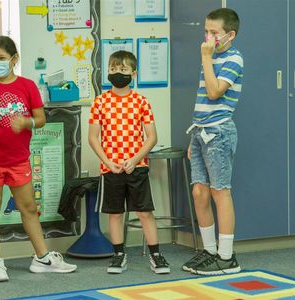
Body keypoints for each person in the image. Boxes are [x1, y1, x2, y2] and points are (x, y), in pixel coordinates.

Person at [0, 35, 77, 282]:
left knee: (28, 208)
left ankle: (42, 257)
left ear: (14, 59)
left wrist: (27, 121)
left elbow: (40, 119)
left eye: (1, 58)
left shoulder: (27, 86)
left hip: (19, 160)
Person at [88, 50, 170, 275]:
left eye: (123, 70)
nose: (117, 73)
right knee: (115, 213)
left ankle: (156, 255)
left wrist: (134, 160)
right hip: (110, 168)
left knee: (145, 212)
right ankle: (118, 255)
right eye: (113, 69)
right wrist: (107, 162)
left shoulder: (141, 102)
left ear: (133, 73)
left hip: (137, 167)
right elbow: (93, 137)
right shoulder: (100, 102)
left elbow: (152, 137)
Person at [183, 8, 243, 275]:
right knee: (199, 192)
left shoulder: (234, 59)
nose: (208, 37)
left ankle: (227, 257)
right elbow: (202, 100)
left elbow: (214, 91)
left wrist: (206, 58)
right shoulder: (210, 57)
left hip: (219, 133)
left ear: (229, 35)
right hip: (200, 131)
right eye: (206, 31)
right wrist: (194, 138)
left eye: (214, 33)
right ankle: (209, 251)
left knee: (221, 192)